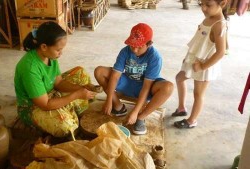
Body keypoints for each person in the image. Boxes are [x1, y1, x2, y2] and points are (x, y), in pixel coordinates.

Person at [14, 22, 97, 138]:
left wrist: (81, 88)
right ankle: (67, 110)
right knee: (66, 126)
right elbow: (45, 104)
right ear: (44, 47)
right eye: (59, 50)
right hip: (33, 107)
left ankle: (67, 107)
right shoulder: (30, 68)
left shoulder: (50, 55)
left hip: (51, 93)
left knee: (81, 74)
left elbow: (58, 83)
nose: (61, 53)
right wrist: (75, 95)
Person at [94, 23, 173, 135]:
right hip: (128, 82)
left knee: (168, 87)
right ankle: (118, 107)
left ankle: (141, 117)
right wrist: (109, 100)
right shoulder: (125, 51)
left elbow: (146, 86)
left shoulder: (155, 57)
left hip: (147, 87)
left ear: (149, 44)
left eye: (139, 46)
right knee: (99, 71)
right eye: (132, 45)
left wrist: (135, 112)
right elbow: (115, 76)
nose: (135, 49)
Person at [172, 0, 228, 129]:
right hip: (194, 59)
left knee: (198, 94)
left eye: (208, 5)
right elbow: (199, 41)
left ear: (223, 4)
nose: (203, 8)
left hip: (205, 64)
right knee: (179, 78)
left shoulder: (219, 24)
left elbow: (220, 52)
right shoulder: (208, 18)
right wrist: (188, 58)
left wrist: (202, 66)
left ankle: (192, 120)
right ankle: (181, 108)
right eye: (201, 4)